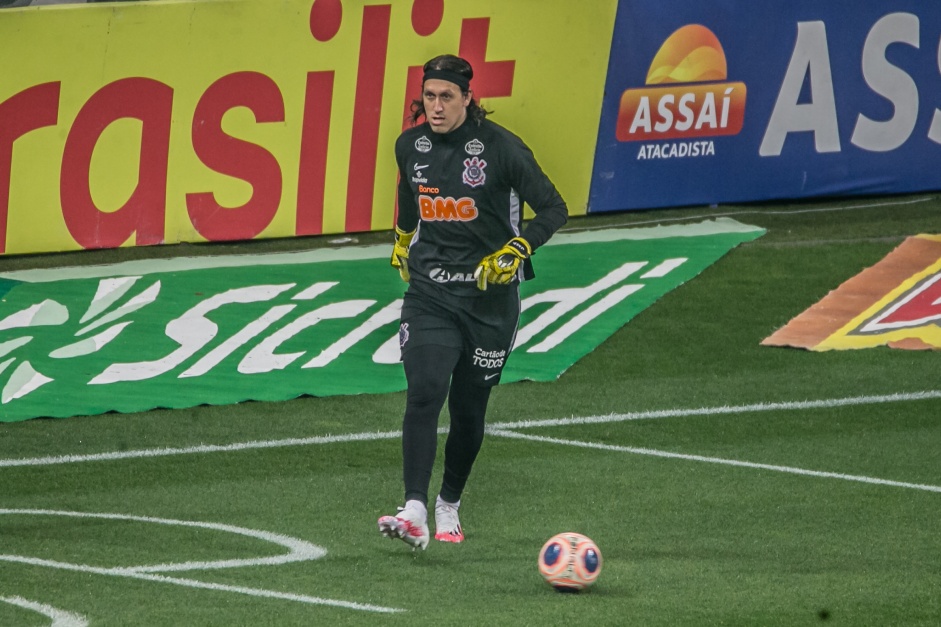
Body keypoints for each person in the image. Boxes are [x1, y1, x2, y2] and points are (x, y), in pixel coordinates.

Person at [378, 54, 568, 550]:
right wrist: (402, 237)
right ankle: (414, 508)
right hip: (430, 293)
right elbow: (410, 199)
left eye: (446, 97)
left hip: (489, 301)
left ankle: (448, 503)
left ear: (467, 98)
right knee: (424, 390)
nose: (436, 107)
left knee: (468, 412)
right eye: (429, 97)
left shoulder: (502, 149)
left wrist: (518, 248)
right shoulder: (410, 146)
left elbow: (553, 207)